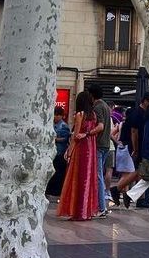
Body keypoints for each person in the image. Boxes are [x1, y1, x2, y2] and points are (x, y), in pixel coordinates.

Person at [58, 91, 100, 221]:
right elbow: (97, 131)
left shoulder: (79, 115)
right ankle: (86, 211)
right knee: (88, 179)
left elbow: (75, 136)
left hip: (80, 150)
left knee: (77, 179)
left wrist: (69, 152)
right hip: (91, 149)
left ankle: (77, 211)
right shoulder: (93, 115)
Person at [116, 91, 149, 207]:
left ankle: (136, 197)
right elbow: (134, 132)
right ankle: (134, 196)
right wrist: (136, 149)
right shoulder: (137, 113)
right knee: (140, 171)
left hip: (139, 146)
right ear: (145, 101)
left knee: (140, 171)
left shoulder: (144, 113)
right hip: (134, 146)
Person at [88, 84, 110, 218]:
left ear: (91, 95)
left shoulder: (97, 107)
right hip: (106, 144)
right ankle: (100, 206)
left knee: (98, 176)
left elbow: (100, 126)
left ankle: (101, 207)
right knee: (99, 175)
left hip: (99, 144)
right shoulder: (106, 106)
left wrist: (88, 133)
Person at [46, 106, 70, 197]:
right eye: (54, 115)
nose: (55, 117)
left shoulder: (63, 126)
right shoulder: (50, 124)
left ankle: (57, 191)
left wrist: (55, 139)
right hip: (51, 152)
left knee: (58, 173)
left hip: (60, 152)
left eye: (57, 115)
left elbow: (65, 138)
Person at [113, 106, 136, 193]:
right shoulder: (133, 125)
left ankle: (125, 192)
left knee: (125, 172)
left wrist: (117, 142)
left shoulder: (122, 124)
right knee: (130, 172)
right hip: (128, 149)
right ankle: (118, 190)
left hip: (121, 148)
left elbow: (111, 134)